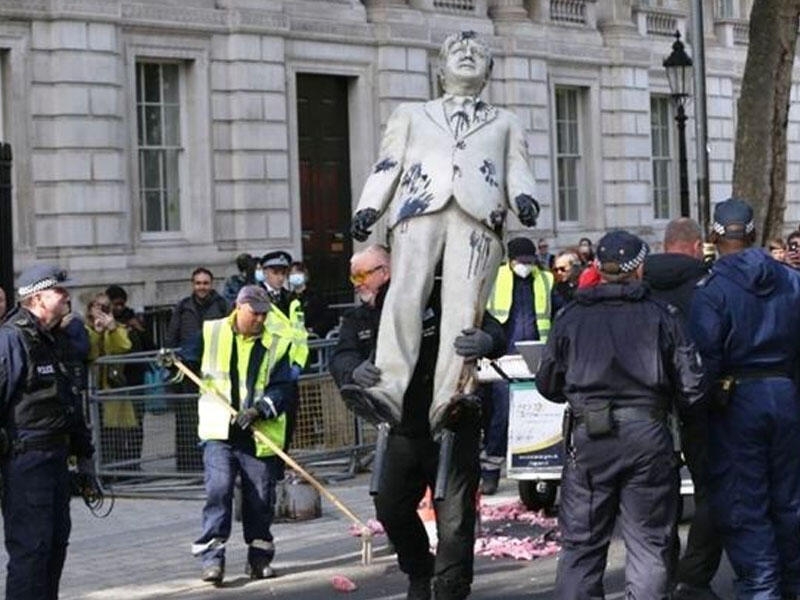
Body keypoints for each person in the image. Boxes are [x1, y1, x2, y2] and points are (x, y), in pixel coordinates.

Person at [348, 30, 539, 432]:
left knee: (463, 306)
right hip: (418, 207)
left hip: (479, 216)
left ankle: (453, 394)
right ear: (440, 69)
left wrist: (525, 198)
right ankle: (386, 386)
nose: (467, 54)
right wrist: (369, 206)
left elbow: (517, 166)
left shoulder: (505, 121)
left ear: (488, 71)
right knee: (404, 294)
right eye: (458, 50)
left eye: (477, 52)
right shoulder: (411, 114)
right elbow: (389, 164)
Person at [536, 230, 705, 599]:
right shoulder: (662, 315)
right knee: (648, 545)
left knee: (581, 547)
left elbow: (547, 383)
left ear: (597, 267)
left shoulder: (571, 317)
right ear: (639, 268)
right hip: (647, 437)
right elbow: (692, 386)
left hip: (590, 438)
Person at [330, 245, 505, 600]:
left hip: (453, 421)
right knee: (390, 506)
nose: (358, 284)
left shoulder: (440, 296)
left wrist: (487, 341)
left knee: (454, 518)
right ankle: (418, 570)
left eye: (363, 275)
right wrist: (352, 369)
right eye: (354, 277)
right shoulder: (362, 317)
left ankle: (451, 587)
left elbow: (491, 328)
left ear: (387, 271)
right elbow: (342, 354)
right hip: (402, 426)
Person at [688, 198, 800, 598]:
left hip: (736, 401)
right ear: (753, 234)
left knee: (746, 506)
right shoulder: (790, 280)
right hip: (785, 394)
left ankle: (761, 589)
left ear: (714, 236)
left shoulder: (712, 290)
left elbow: (706, 360)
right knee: (788, 501)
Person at [0, 264, 95, 600]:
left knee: (55, 547)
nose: (67, 296)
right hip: (26, 463)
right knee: (31, 551)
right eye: (59, 291)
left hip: (55, 461)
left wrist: (85, 456)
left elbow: (69, 403)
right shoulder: (12, 340)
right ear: (37, 298)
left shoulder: (54, 339)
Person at [189, 285, 294, 584]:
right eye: (254, 313)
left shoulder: (276, 343)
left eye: (264, 314)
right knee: (218, 490)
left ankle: (259, 558)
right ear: (238, 307)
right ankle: (212, 560)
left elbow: (283, 387)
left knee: (260, 497)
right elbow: (187, 357)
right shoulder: (213, 332)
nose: (260, 319)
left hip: (257, 434)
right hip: (219, 431)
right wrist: (172, 359)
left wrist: (260, 409)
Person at [643, 217, 723, 600]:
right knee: (712, 488)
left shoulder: (640, 287)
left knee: (657, 496)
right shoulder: (707, 284)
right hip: (699, 399)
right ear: (696, 247)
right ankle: (693, 576)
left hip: (650, 404)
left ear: (664, 246)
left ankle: (664, 571)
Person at [481, 236, 553, 494]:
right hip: (503, 358)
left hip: (538, 357)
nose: (527, 265)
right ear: (510, 261)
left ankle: (537, 468)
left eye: (530, 261)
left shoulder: (545, 279)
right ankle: (491, 468)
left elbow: (556, 312)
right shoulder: (496, 278)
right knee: (503, 413)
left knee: (540, 414)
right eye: (522, 261)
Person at [166, 267, 229, 472]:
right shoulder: (183, 307)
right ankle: (188, 464)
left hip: (215, 368)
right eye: (198, 283)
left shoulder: (221, 305)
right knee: (187, 416)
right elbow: (172, 335)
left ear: (211, 284)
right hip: (188, 368)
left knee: (214, 414)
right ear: (193, 284)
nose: (202, 287)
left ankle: (213, 462)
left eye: (205, 283)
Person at [260, 251, 309, 456]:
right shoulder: (256, 298)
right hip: (266, 374)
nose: (280, 277)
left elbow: (300, 336)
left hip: (288, 374)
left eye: (283, 273)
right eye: (275, 272)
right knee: (266, 425)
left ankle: (281, 466)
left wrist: (298, 363)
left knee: (288, 424)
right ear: (265, 273)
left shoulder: (292, 300)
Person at [85, 292, 138, 469]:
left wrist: (112, 328)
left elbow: (124, 347)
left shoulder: (117, 328)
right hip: (92, 388)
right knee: (95, 432)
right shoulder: (85, 329)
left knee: (116, 433)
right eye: (98, 307)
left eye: (106, 307)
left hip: (112, 389)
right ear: (90, 309)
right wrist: (97, 332)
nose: (102, 311)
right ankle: (100, 469)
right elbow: (87, 351)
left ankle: (117, 469)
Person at [288, 261, 334, 337]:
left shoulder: (316, 296)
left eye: (297, 272)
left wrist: (312, 329)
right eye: (292, 273)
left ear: (305, 275)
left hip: (313, 337)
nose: (294, 276)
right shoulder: (288, 298)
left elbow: (327, 318)